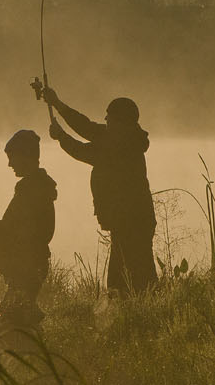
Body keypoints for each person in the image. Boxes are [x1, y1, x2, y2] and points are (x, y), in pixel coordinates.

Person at [38, 85, 157, 296]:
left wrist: (61, 137)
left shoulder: (122, 147)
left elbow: (84, 152)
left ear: (121, 122)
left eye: (109, 118)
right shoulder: (123, 137)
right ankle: (143, 312)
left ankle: (135, 316)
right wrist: (56, 103)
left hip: (131, 221)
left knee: (126, 281)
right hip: (131, 220)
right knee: (138, 278)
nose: (105, 120)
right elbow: (86, 127)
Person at [0, 129, 57, 326]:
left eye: (12, 158)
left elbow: (20, 234)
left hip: (26, 268)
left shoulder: (30, 190)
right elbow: (17, 230)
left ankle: (31, 350)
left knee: (12, 322)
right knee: (16, 316)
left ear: (26, 157)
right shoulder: (38, 187)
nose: (9, 164)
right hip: (33, 266)